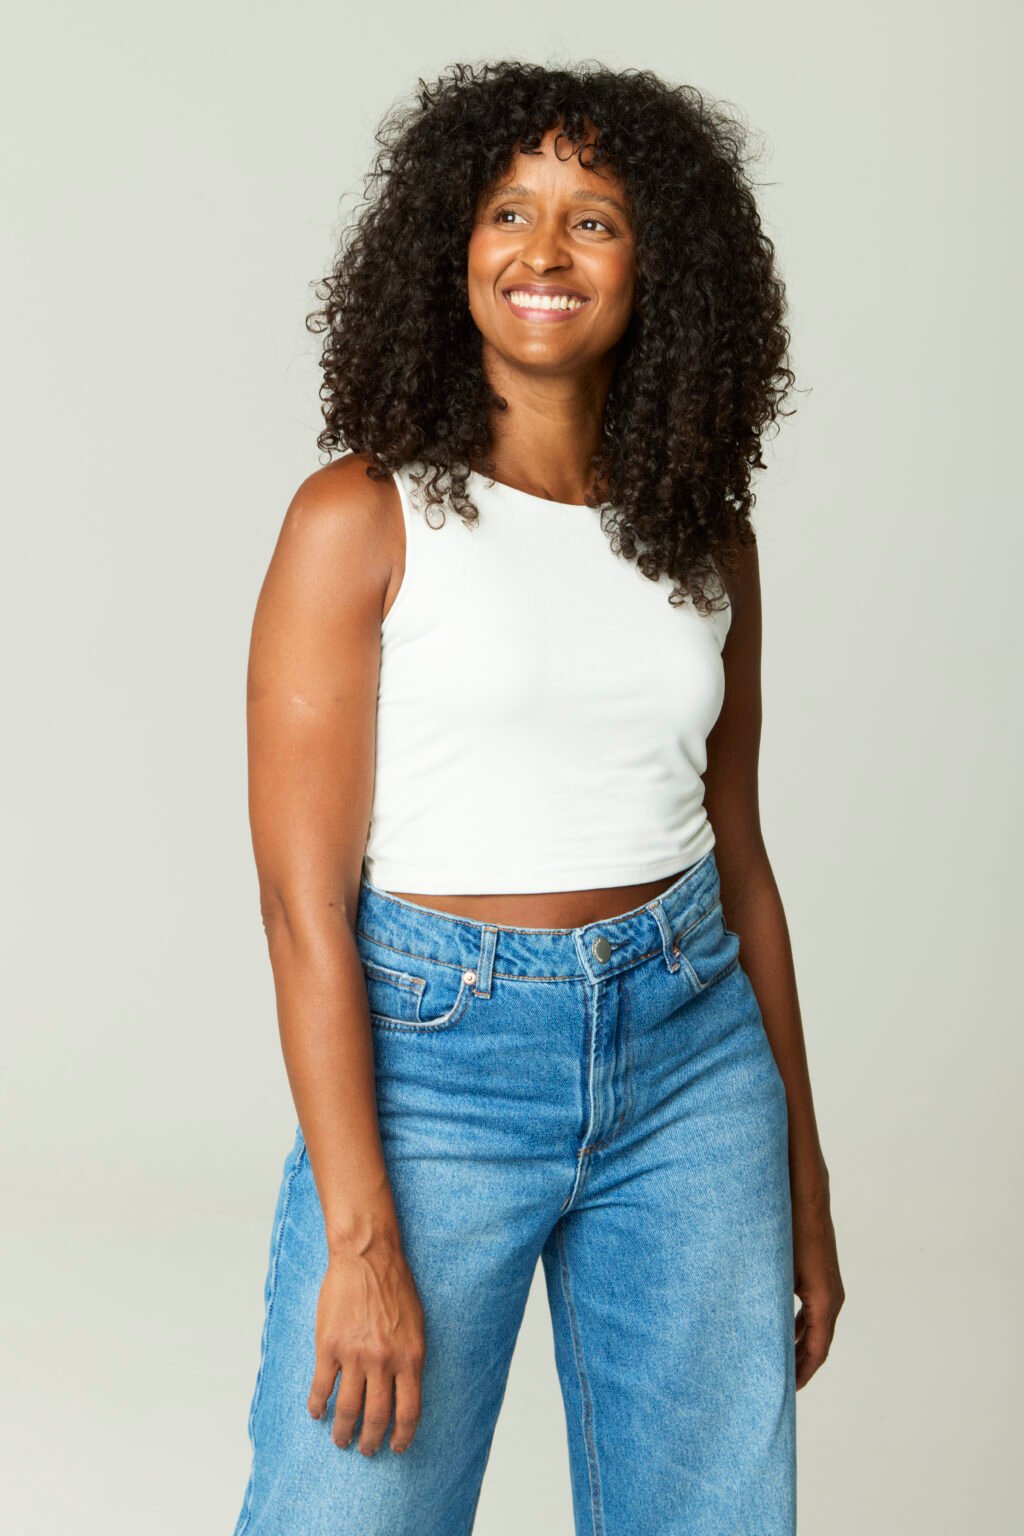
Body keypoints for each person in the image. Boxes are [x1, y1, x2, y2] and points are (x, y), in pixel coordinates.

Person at [231, 59, 844, 1536]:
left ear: (658, 266)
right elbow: (304, 906)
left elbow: (743, 859)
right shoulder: (359, 516)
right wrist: (361, 1242)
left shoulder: (705, 534)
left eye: (595, 219)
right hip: (436, 1069)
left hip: (693, 1060)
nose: (544, 252)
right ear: (450, 248)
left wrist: (804, 1179)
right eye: (509, 211)